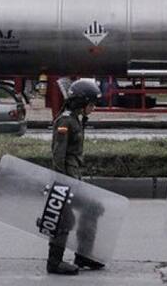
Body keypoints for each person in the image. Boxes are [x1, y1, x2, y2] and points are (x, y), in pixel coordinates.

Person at [47, 78, 104, 275]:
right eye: (91, 104)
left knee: (93, 208)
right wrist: (62, 185)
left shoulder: (76, 119)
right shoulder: (65, 121)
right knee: (65, 219)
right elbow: (58, 155)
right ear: (81, 103)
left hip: (74, 178)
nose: (93, 108)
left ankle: (83, 255)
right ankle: (54, 262)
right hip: (65, 180)